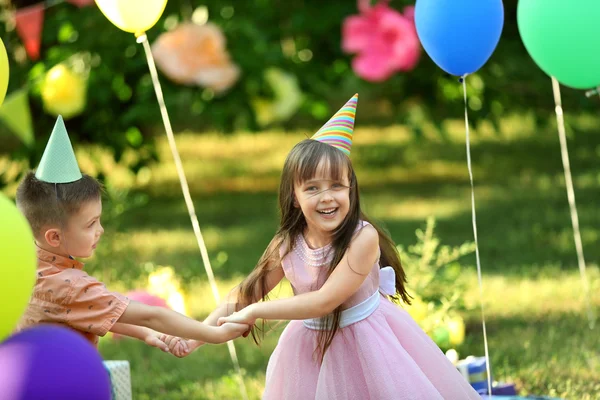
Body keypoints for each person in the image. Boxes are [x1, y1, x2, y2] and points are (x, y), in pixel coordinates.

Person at [203, 94, 481, 399]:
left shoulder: (363, 238)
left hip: (369, 347)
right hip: (309, 349)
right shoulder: (286, 243)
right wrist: (196, 335)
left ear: (351, 189)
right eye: (312, 188)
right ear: (294, 196)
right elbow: (246, 293)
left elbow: (324, 301)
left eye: (337, 185)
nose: (326, 197)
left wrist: (255, 311)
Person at [15, 116, 248, 356]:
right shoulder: (71, 287)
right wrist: (214, 334)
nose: (100, 230)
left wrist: (144, 333)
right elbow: (151, 314)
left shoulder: (24, 268)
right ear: (54, 237)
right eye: (91, 224)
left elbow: (85, 311)